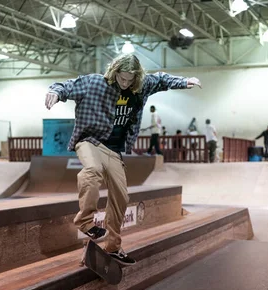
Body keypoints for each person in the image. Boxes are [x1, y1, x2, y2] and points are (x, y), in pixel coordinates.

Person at [45, 53, 201, 265]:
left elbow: (162, 79)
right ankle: (85, 221)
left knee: (121, 196)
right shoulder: (94, 83)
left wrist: (184, 82)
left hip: (114, 150)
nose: (125, 83)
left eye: (130, 80)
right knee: (92, 170)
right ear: (115, 72)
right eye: (122, 78)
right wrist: (55, 91)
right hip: (89, 140)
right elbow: (67, 85)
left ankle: (113, 247)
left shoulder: (142, 85)